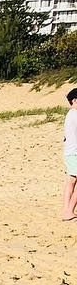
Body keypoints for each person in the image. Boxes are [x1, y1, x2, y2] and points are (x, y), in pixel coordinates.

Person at [63, 87, 77, 222]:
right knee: (72, 181)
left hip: (69, 152)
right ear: (74, 100)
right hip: (74, 153)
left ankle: (67, 211)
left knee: (71, 181)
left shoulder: (70, 115)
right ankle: (69, 210)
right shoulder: (75, 115)